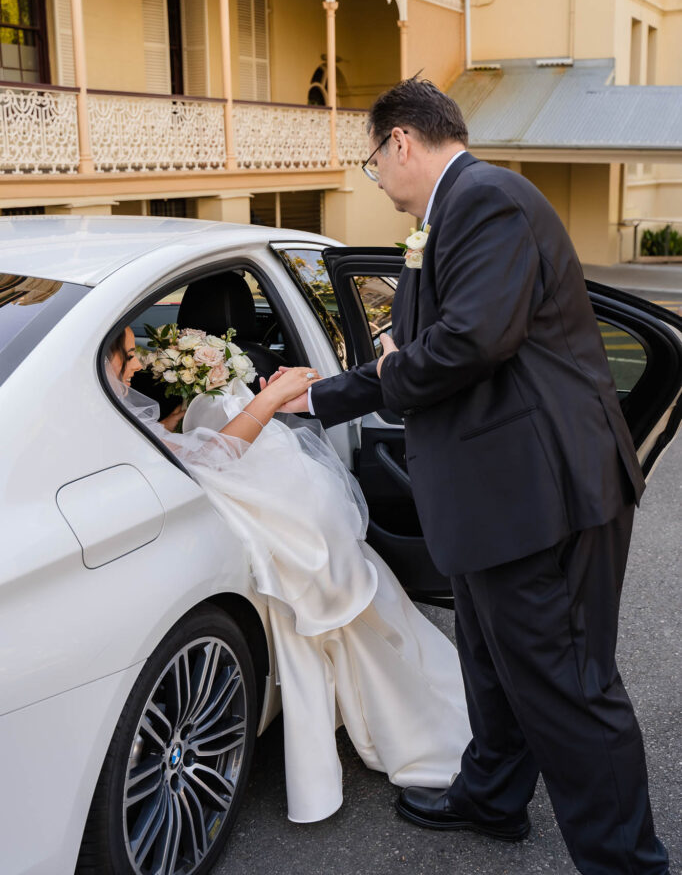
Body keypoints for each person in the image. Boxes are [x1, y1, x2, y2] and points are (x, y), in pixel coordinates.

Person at [291, 78, 669, 873]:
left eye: (373, 165)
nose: (380, 186)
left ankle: (625, 862)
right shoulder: (447, 217)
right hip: (498, 499)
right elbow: (417, 350)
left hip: (544, 498)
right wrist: (313, 397)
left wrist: (395, 368)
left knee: (569, 688)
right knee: (493, 663)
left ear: (400, 142)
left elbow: (469, 343)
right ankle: (493, 798)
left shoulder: (487, 200)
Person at [107, 326, 471, 824]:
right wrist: (275, 396)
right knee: (311, 560)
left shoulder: (108, 403)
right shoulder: (106, 408)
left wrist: (176, 421)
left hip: (189, 495)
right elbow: (208, 459)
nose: (136, 366)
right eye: (126, 357)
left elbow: (176, 449)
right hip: (196, 500)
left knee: (321, 561)